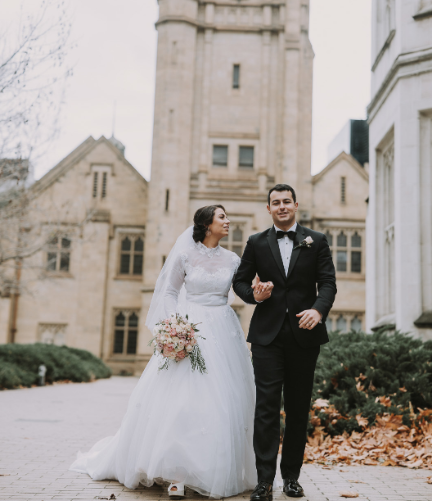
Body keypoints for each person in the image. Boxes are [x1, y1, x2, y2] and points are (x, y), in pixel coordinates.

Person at [70, 205, 257, 499]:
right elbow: (169, 292)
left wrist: (258, 293)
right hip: (190, 328)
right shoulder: (185, 255)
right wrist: (174, 326)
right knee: (181, 400)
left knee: (224, 401)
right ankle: (176, 473)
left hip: (223, 330)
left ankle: (215, 469)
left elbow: (244, 290)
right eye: (222, 217)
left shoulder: (233, 260)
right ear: (208, 224)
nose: (228, 221)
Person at [233, 184, 337, 499]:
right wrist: (254, 295)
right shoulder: (256, 242)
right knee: (266, 408)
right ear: (268, 209)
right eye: (275, 202)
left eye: (286, 201)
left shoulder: (316, 241)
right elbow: (239, 281)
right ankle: (264, 482)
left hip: (305, 337)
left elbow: (328, 282)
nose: (281, 206)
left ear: (295, 205)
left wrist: (318, 312)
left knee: (297, 408)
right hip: (267, 336)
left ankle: (291, 477)